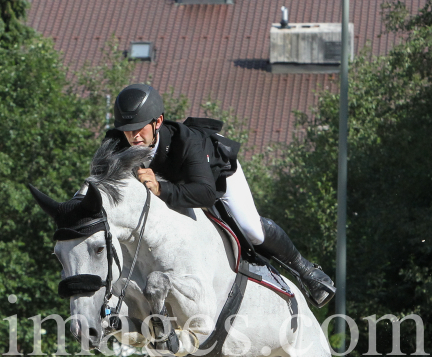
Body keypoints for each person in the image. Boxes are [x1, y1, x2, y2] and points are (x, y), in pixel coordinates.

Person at [106, 83, 335, 308]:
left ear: (158, 122)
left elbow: (205, 194)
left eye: (140, 128)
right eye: (127, 129)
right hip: (177, 183)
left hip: (214, 175)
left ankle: (306, 271)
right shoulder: (116, 144)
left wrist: (160, 189)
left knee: (250, 228)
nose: (133, 135)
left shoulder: (187, 143)